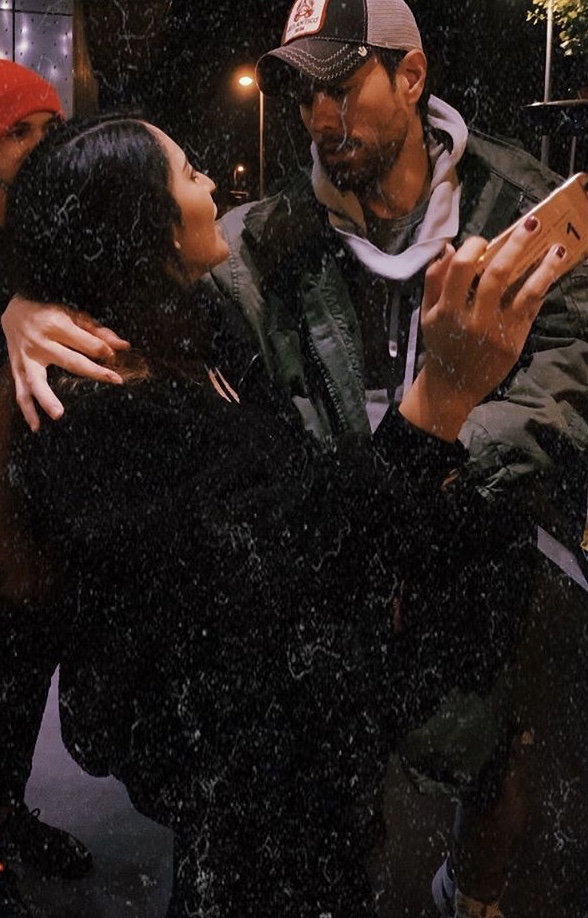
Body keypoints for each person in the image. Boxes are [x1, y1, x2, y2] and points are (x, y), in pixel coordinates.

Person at [2, 0, 588, 913]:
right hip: (297, 664)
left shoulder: (517, 201)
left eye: (341, 84)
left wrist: (434, 461)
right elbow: (116, 276)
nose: (320, 114)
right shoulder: (259, 240)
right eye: (303, 91)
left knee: (490, 761)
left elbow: (564, 379)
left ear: (411, 76)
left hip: (443, 555)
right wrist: (24, 308)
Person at [0, 58, 92, 918]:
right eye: (15, 133)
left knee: (24, 684)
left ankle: (7, 814)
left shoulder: (56, 234)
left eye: (48, 131)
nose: (35, 149)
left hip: (42, 525)